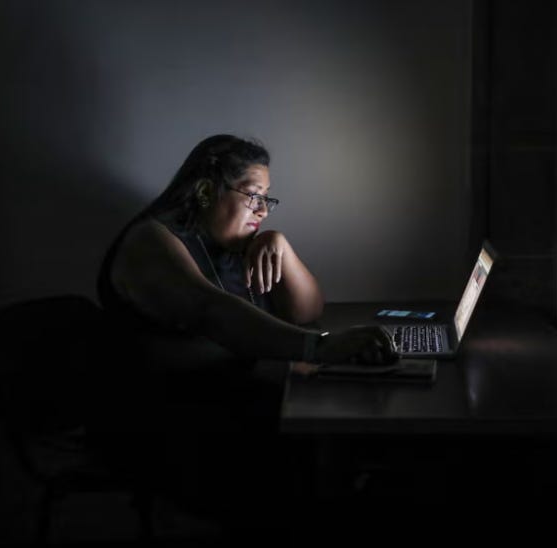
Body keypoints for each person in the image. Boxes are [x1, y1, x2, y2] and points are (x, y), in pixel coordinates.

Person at [91, 134, 396, 539]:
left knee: (338, 446)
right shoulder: (153, 240)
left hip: (220, 400)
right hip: (167, 423)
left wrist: (281, 246)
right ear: (204, 191)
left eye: (267, 199)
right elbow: (211, 312)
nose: (263, 211)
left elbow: (307, 310)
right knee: (309, 461)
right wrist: (320, 347)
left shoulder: (231, 244)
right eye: (253, 196)